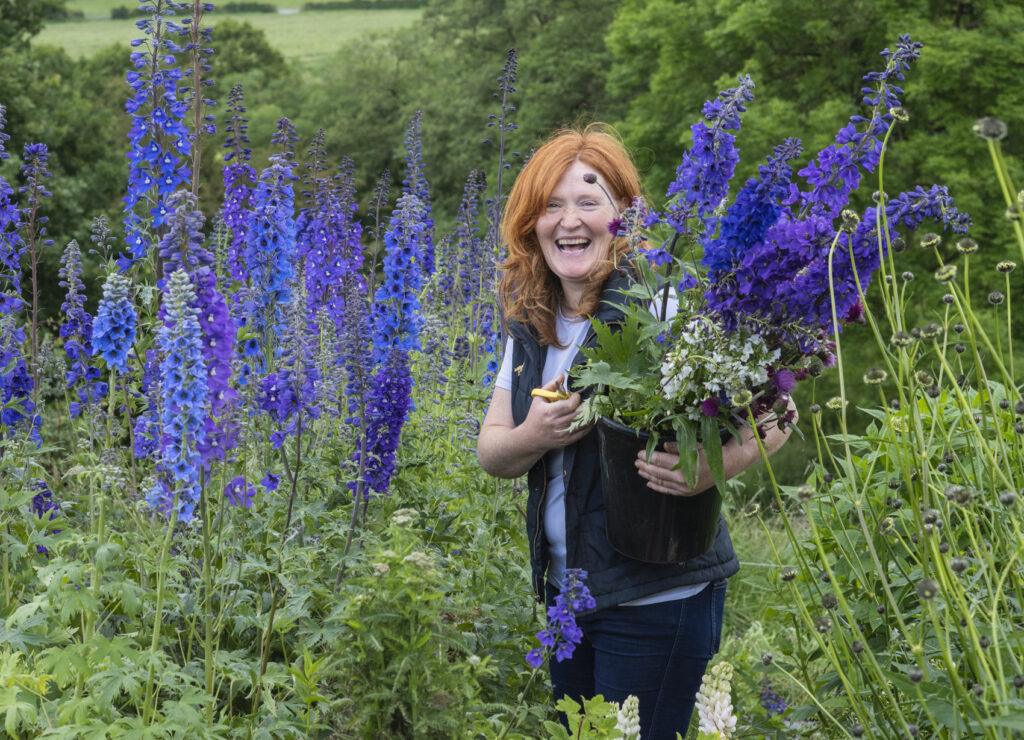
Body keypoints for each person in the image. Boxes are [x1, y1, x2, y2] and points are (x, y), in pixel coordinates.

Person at [476, 124, 794, 738]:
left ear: (622, 214)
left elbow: (778, 409)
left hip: (659, 596)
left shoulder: (662, 306)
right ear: (529, 223)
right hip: (570, 603)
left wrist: (713, 468)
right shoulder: (531, 324)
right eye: (551, 205)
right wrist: (535, 433)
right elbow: (493, 450)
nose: (568, 221)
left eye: (588, 202)